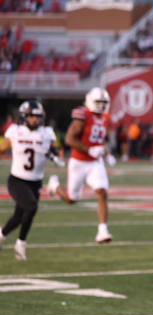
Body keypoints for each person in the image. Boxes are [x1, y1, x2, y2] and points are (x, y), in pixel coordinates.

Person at [47, 87, 115, 244]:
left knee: (102, 192)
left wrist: (106, 153)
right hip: (78, 162)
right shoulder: (82, 115)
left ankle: (102, 231)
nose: (101, 105)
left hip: (94, 163)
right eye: (98, 102)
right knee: (72, 199)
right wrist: (89, 149)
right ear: (90, 101)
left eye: (103, 102)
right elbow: (70, 139)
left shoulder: (105, 117)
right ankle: (55, 186)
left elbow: (99, 139)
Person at [0, 101, 63, 260]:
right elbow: (2, 148)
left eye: (38, 116)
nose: (36, 119)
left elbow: (54, 151)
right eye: (32, 116)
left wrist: (55, 156)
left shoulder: (47, 133)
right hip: (17, 180)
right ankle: (21, 244)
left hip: (35, 181)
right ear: (24, 116)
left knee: (19, 216)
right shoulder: (15, 131)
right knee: (31, 207)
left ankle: (1, 235)